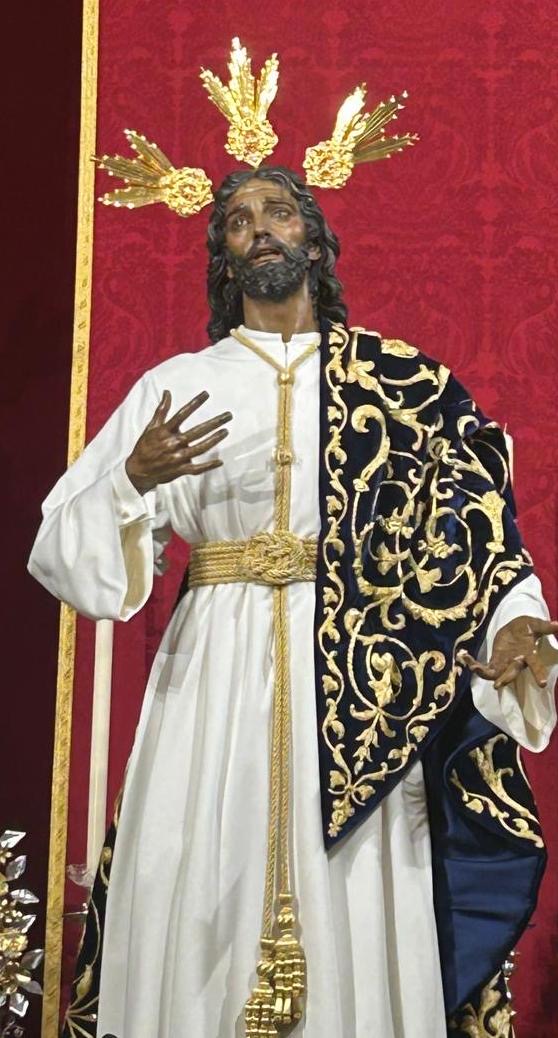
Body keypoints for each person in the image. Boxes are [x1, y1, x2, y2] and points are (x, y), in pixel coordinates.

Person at [29, 166, 558, 1038]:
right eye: (239, 222)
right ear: (225, 259)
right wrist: (130, 479)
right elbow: (60, 549)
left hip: (359, 686)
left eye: (279, 212)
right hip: (211, 671)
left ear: (315, 241)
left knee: (355, 886)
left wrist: (517, 622)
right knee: (198, 867)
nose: (261, 229)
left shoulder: (402, 388)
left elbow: (477, 529)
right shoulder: (176, 385)